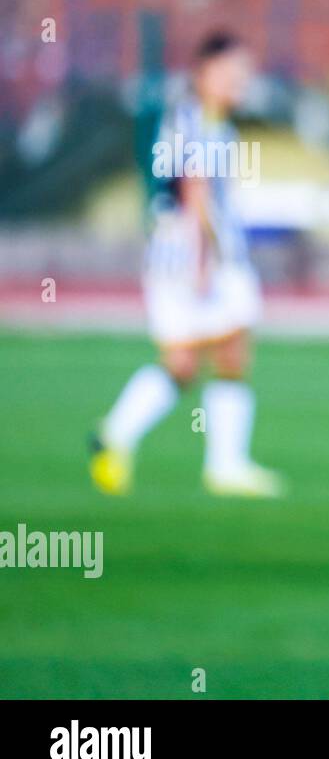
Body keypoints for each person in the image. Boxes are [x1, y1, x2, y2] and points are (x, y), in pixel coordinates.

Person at [89, 31, 282, 499]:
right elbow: (193, 190)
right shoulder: (197, 121)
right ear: (203, 73)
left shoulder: (204, 119)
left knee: (182, 363)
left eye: (243, 74)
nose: (239, 82)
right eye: (229, 72)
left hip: (176, 256)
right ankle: (225, 465)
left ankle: (115, 433)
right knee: (230, 350)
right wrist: (203, 261)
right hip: (195, 257)